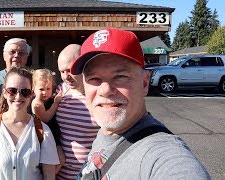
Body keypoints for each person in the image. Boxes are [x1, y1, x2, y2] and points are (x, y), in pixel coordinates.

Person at [70, 28, 211, 179]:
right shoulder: (105, 133)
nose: (105, 90)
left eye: (120, 76)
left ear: (144, 83)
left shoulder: (163, 156)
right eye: (93, 79)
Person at [0, 67, 60, 180]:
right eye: (12, 91)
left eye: (25, 92)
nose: (18, 97)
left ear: (31, 94)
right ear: (4, 92)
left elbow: (49, 176)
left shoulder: (43, 131)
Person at [56, 44, 100, 179]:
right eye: (62, 72)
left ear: (83, 65)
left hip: (90, 174)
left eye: (69, 70)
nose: (65, 76)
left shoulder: (99, 93)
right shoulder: (60, 91)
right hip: (59, 174)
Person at [31, 68, 65, 174]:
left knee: (60, 159)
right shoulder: (37, 104)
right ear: (33, 88)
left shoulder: (47, 100)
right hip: (44, 137)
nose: (45, 92)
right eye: (41, 89)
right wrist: (56, 103)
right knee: (58, 159)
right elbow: (46, 118)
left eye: (48, 89)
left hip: (53, 136)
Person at [0, 38, 31, 106]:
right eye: (12, 52)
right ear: (4, 56)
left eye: (21, 53)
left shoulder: (33, 79)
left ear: (27, 57)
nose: (16, 55)